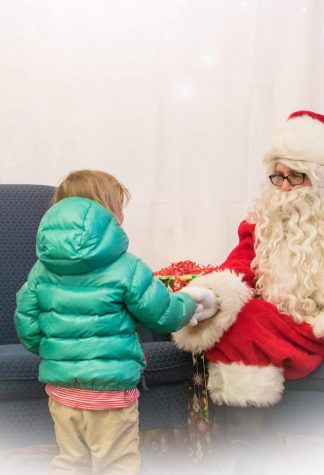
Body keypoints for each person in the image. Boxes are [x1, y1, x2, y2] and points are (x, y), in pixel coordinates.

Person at [172, 110, 324, 418]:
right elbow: (238, 268)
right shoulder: (264, 224)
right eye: (278, 176)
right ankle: (246, 449)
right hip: (291, 322)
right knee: (243, 322)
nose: (284, 187)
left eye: (295, 177)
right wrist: (214, 295)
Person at [14, 169, 217, 475]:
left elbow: (26, 324)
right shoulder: (125, 266)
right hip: (110, 393)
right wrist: (190, 302)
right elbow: (163, 314)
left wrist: (56, 351)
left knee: (71, 462)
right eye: (120, 207)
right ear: (106, 212)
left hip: (61, 390)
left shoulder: (41, 269)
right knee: (116, 463)